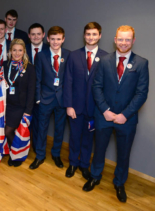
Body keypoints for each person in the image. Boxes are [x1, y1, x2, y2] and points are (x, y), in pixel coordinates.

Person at [83, 25, 149, 203]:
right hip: (104, 117)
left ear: (133, 41)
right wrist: (105, 110)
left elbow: (141, 93)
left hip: (126, 120)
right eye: (121, 39)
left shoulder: (141, 63)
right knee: (99, 150)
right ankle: (95, 176)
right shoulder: (104, 60)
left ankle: (119, 183)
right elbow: (96, 86)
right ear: (115, 39)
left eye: (128, 39)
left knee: (123, 154)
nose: (124, 42)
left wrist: (125, 115)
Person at [63, 22, 108, 179]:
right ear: (84, 35)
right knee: (74, 137)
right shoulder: (74, 55)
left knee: (89, 139)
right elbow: (67, 81)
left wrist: (102, 109)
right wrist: (68, 105)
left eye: (94, 34)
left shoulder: (106, 58)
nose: (91, 37)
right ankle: (73, 163)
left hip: (94, 109)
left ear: (100, 36)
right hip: (75, 107)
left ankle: (84, 165)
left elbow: (106, 86)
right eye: (88, 34)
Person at [29, 26, 70, 170]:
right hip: (45, 99)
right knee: (41, 129)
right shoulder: (41, 55)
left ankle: (56, 154)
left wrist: (68, 99)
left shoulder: (68, 55)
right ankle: (40, 155)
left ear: (63, 39)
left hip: (62, 99)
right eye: (52, 39)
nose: (55, 42)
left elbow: (69, 79)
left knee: (59, 129)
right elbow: (38, 78)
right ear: (48, 39)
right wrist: (38, 98)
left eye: (58, 39)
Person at [3, 39, 36, 167]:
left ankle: (16, 155)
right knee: (8, 131)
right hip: (7, 105)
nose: (17, 53)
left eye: (20, 50)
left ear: (24, 52)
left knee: (9, 131)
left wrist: (28, 111)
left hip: (21, 107)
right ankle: (14, 153)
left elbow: (32, 91)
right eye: (14, 50)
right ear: (10, 51)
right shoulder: (5, 65)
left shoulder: (30, 68)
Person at [26, 23, 50, 153]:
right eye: (33, 34)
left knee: (40, 124)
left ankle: (37, 149)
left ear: (43, 35)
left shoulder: (49, 50)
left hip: (43, 94)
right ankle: (24, 147)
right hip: (26, 94)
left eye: (38, 34)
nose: (36, 37)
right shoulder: (22, 50)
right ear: (29, 36)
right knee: (26, 122)